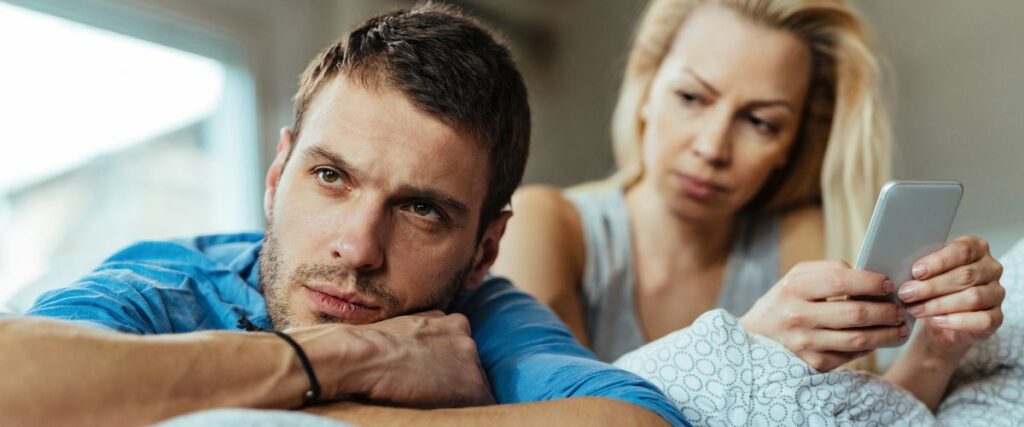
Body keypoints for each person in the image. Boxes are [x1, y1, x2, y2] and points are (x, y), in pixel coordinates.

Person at [0, 4, 687, 427]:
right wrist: (352, 355)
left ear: (484, 249)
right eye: (331, 177)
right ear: (278, 176)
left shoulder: (483, 320)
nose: (358, 247)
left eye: (420, 210)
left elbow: (638, 422)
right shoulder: (171, 284)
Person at [493, 0, 1004, 411]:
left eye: (760, 122)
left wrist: (939, 346)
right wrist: (744, 343)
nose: (712, 147)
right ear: (647, 89)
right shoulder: (546, 225)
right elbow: (566, 413)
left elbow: (858, 419)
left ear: (789, 147)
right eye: (692, 97)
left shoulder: (798, 241)